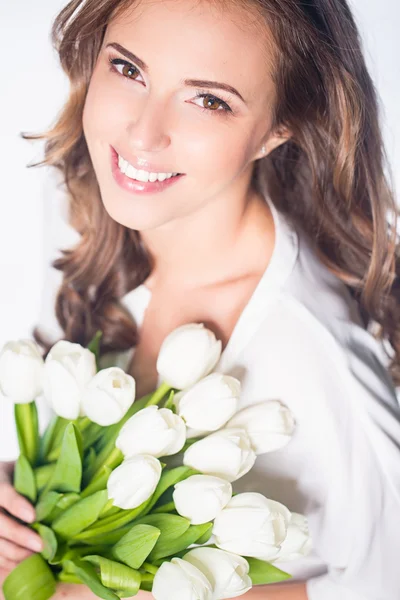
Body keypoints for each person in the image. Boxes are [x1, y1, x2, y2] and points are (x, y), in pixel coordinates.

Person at [1, 0, 400, 598]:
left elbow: (383, 581)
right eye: (129, 69)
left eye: (209, 100)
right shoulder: (82, 202)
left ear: (279, 127)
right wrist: (21, 502)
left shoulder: (312, 359)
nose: (141, 134)